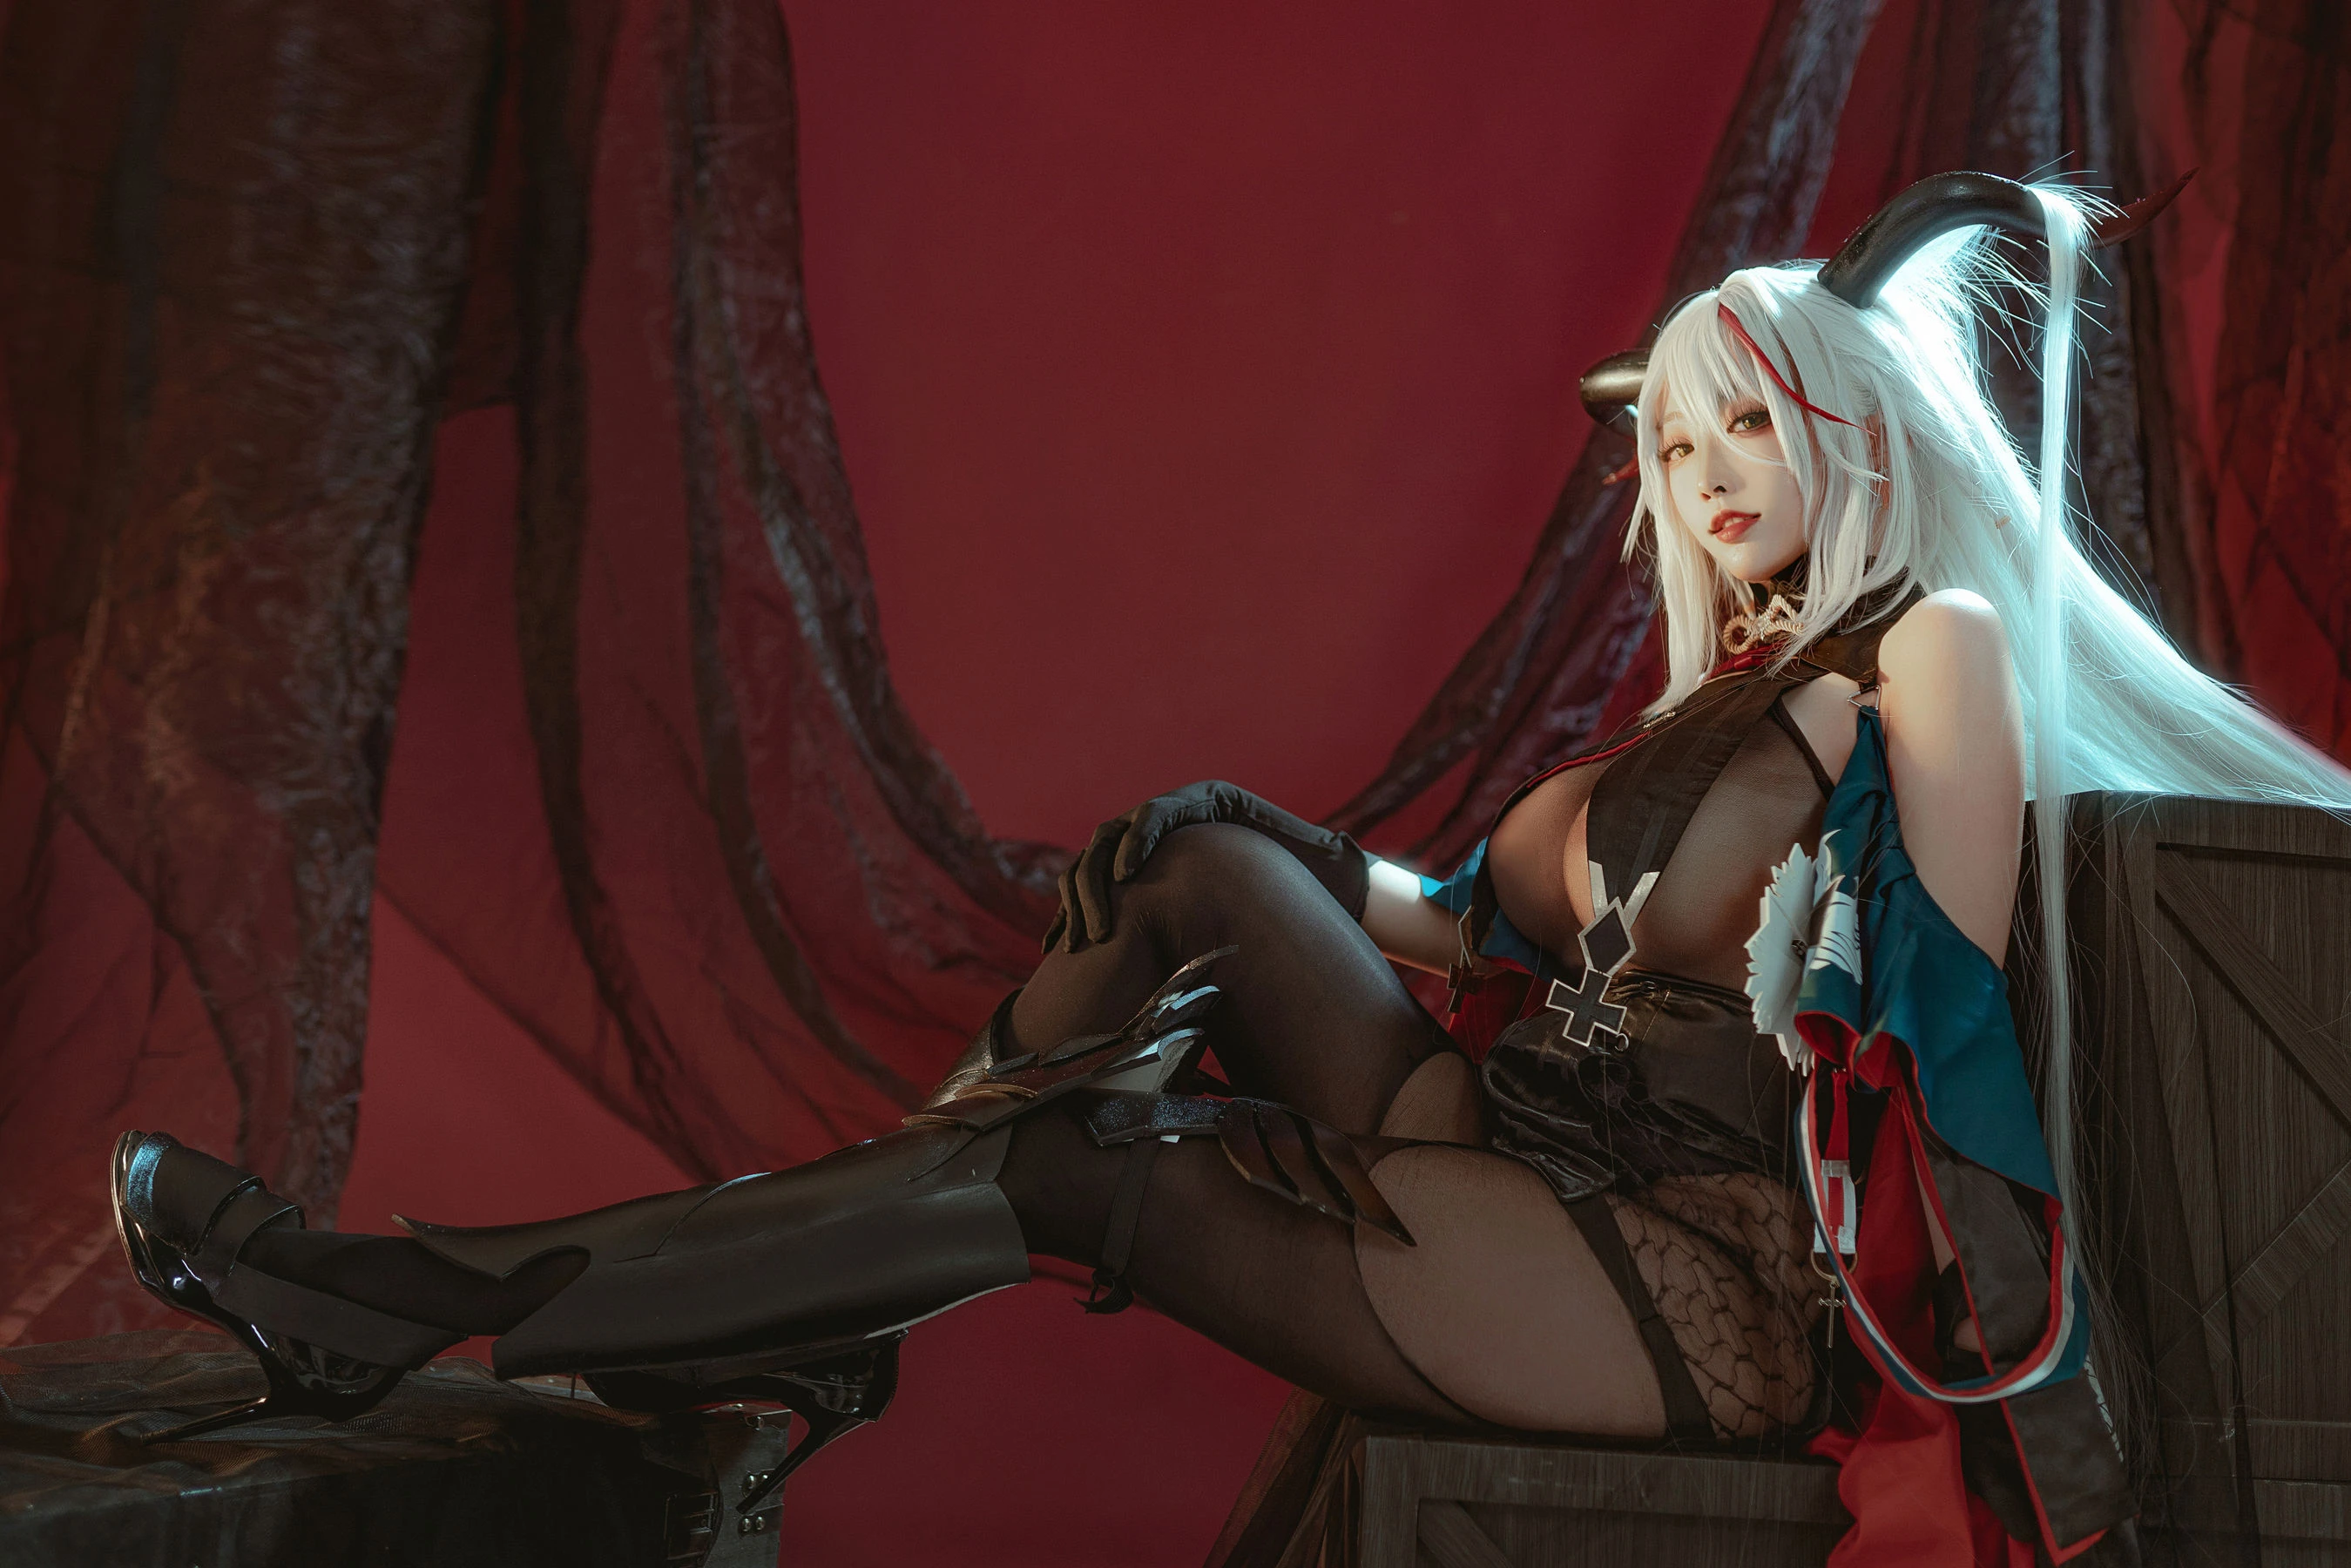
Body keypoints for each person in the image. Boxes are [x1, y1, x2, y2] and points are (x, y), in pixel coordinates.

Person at [111, 173, 2351, 1563]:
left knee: (1073, 1171)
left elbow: (1937, 1004)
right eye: (1672, 441)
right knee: (1197, 864)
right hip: (1511, 1135)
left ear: (1855, 415)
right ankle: (778, 1307)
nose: (1700, 473)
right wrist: (1289, 852)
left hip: (1687, 1259)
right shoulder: (1707, 696)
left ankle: (425, 1303)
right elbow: (1454, 929)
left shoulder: (1918, 653)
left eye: (1744, 420)